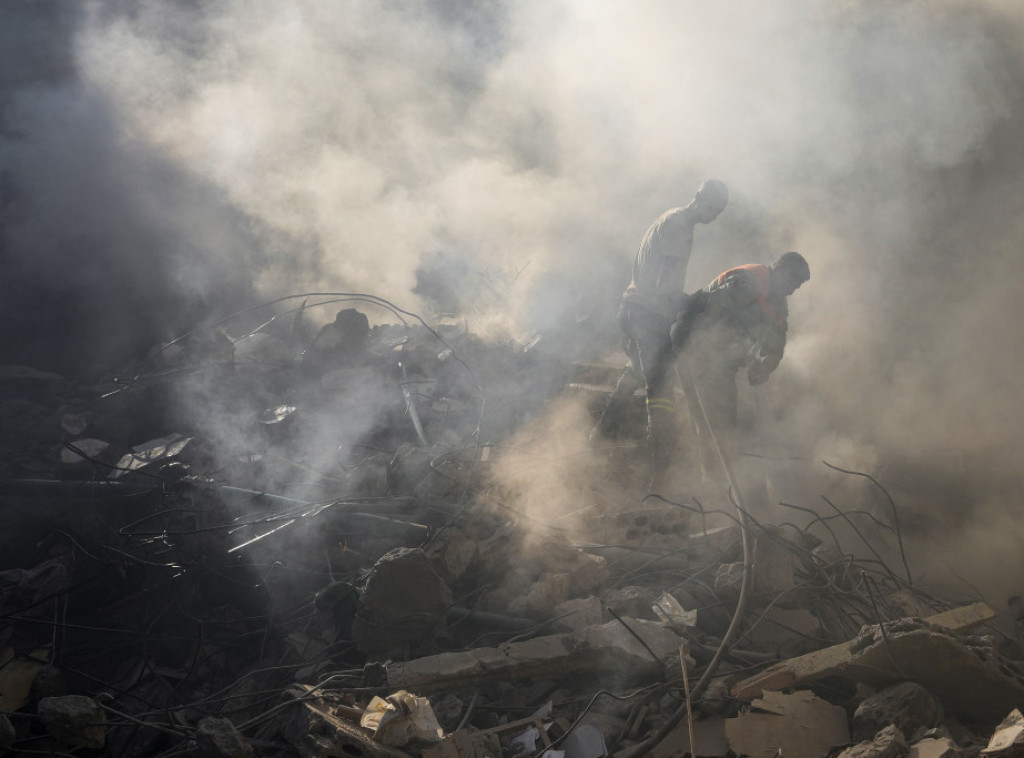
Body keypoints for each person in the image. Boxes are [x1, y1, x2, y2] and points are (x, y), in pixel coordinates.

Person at [592, 179, 729, 490]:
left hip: (635, 310)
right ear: (698, 197)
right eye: (712, 208)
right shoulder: (679, 227)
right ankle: (660, 471)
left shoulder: (674, 219)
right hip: (646, 315)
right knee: (661, 391)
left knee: (637, 370)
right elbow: (662, 287)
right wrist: (693, 301)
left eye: (718, 212)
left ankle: (602, 432)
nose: (713, 216)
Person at [671, 251, 810, 482]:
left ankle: (724, 481)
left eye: (798, 286)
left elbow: (776, 348)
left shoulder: (778, 306)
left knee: (726, 421)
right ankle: (713, 484)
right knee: (710, 421)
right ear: (780, 270)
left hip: (723, 363)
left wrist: (765, 366)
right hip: (695, 347)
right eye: (793, 282)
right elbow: (714, 317)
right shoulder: (749, 280)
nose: (793, 290)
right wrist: (737, 346)